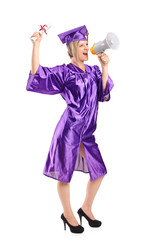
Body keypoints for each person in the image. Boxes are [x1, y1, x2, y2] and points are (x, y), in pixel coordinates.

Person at [26, 25, 114, 234]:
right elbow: (38, 75)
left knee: (99, 171)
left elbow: (103, 94)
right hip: (69, 131)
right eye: (82, 45)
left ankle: (86, 208)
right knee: (64, 175)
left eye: (87, 44)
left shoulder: (93, 71)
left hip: (87, 133)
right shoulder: (65, 72)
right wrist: (36, 46)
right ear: (74, 48)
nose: (86, 48)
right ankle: (68, 214)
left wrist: (104, 68)